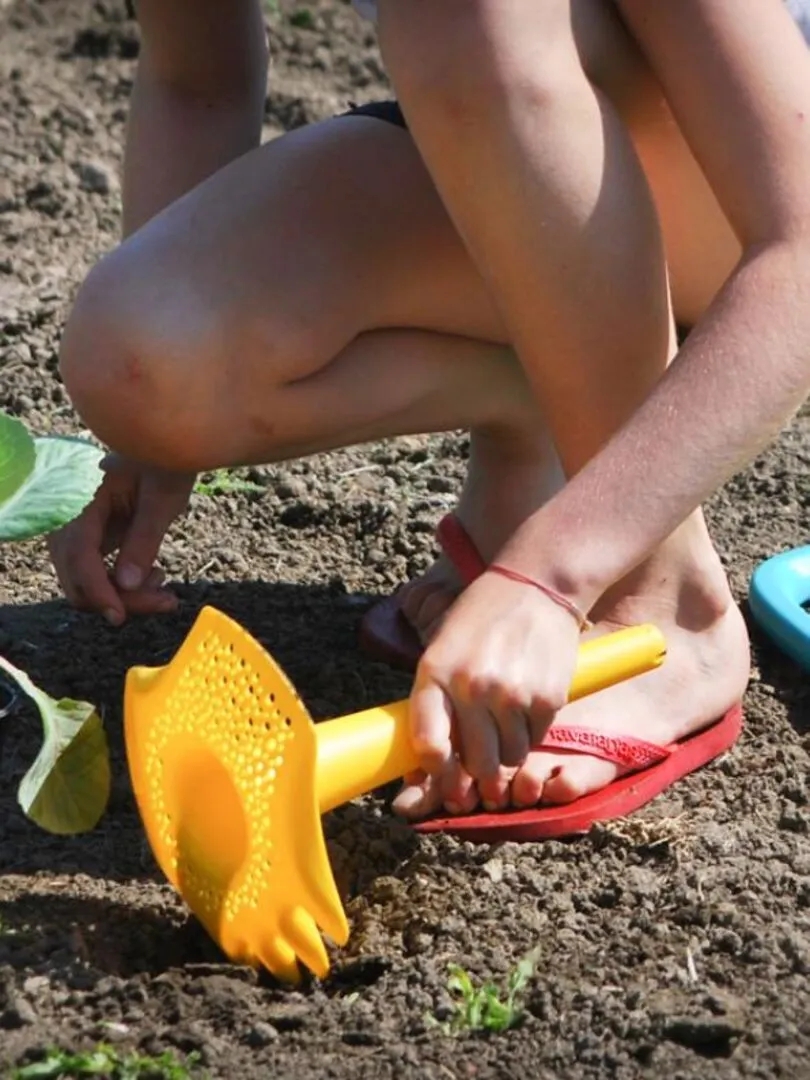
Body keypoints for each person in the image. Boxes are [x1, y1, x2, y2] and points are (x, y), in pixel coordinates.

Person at [50, 0, 810, 829]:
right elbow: (198, 80)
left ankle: (665, 602)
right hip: (526, 137)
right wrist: (153, 441)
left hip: (748, 175)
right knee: (149, 351)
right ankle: (552, 432)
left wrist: (554, 577)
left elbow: (800, 245)